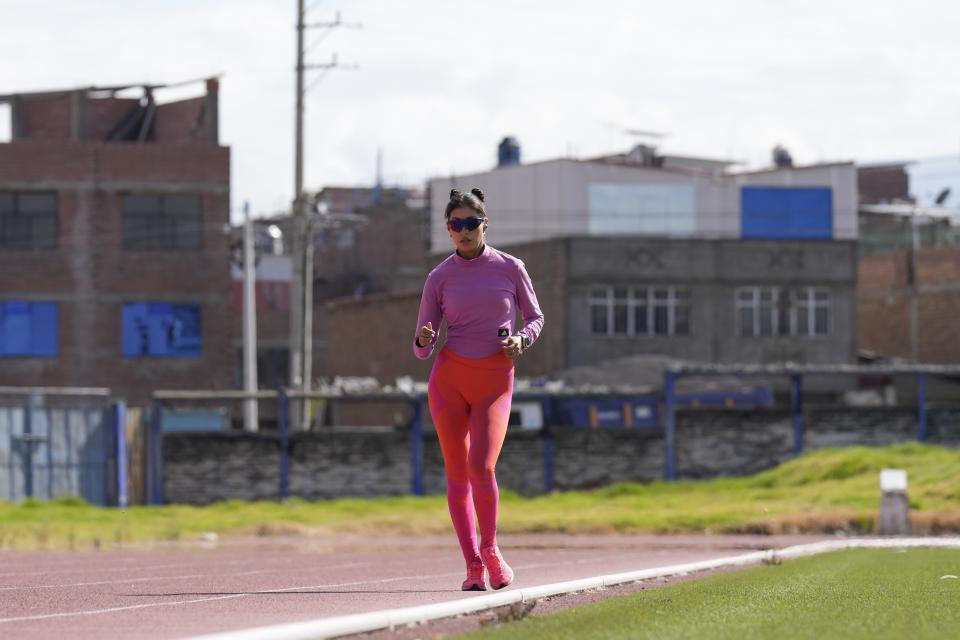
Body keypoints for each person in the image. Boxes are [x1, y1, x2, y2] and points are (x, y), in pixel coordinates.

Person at [413, 187, 544, 591]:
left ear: (485, 225)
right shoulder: (438, 277)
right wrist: (423, 339)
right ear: (448, 230)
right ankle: (472, 565)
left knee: (482, 467)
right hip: (450, 380)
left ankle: (491, 550)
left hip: (494, 382)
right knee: (457, 474)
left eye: (471, 223)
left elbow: (535, 318)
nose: (464, 231)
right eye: (456, 225)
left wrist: (521, 340)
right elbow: (421, 349)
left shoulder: (510, 267)